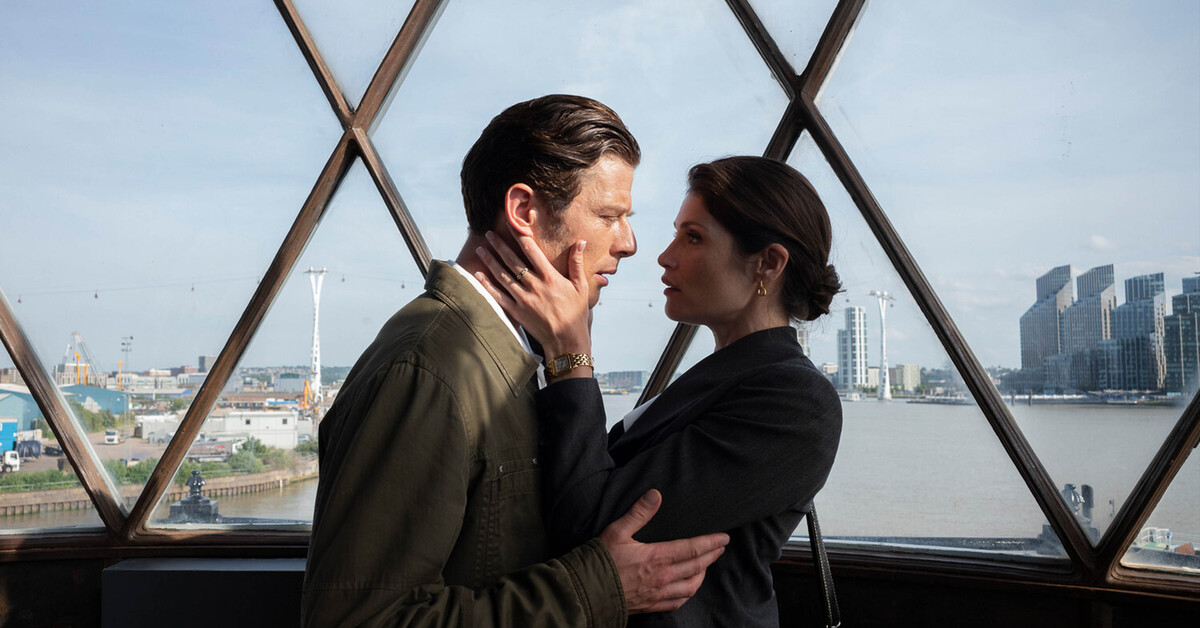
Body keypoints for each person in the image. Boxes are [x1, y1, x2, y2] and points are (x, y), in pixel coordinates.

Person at [302, 95, 730, 627]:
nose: (630, 243)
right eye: (609, 216)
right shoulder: (426, 370)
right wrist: (596, 588)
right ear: (524, 211)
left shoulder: (504, 355)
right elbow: (361, 619)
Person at [476, 156, 844, 627]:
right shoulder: (721, 378)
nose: (664, 256)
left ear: (768, 264)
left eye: (693, 237)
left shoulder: (796, 401)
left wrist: (570, 352)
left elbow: (589, 525)